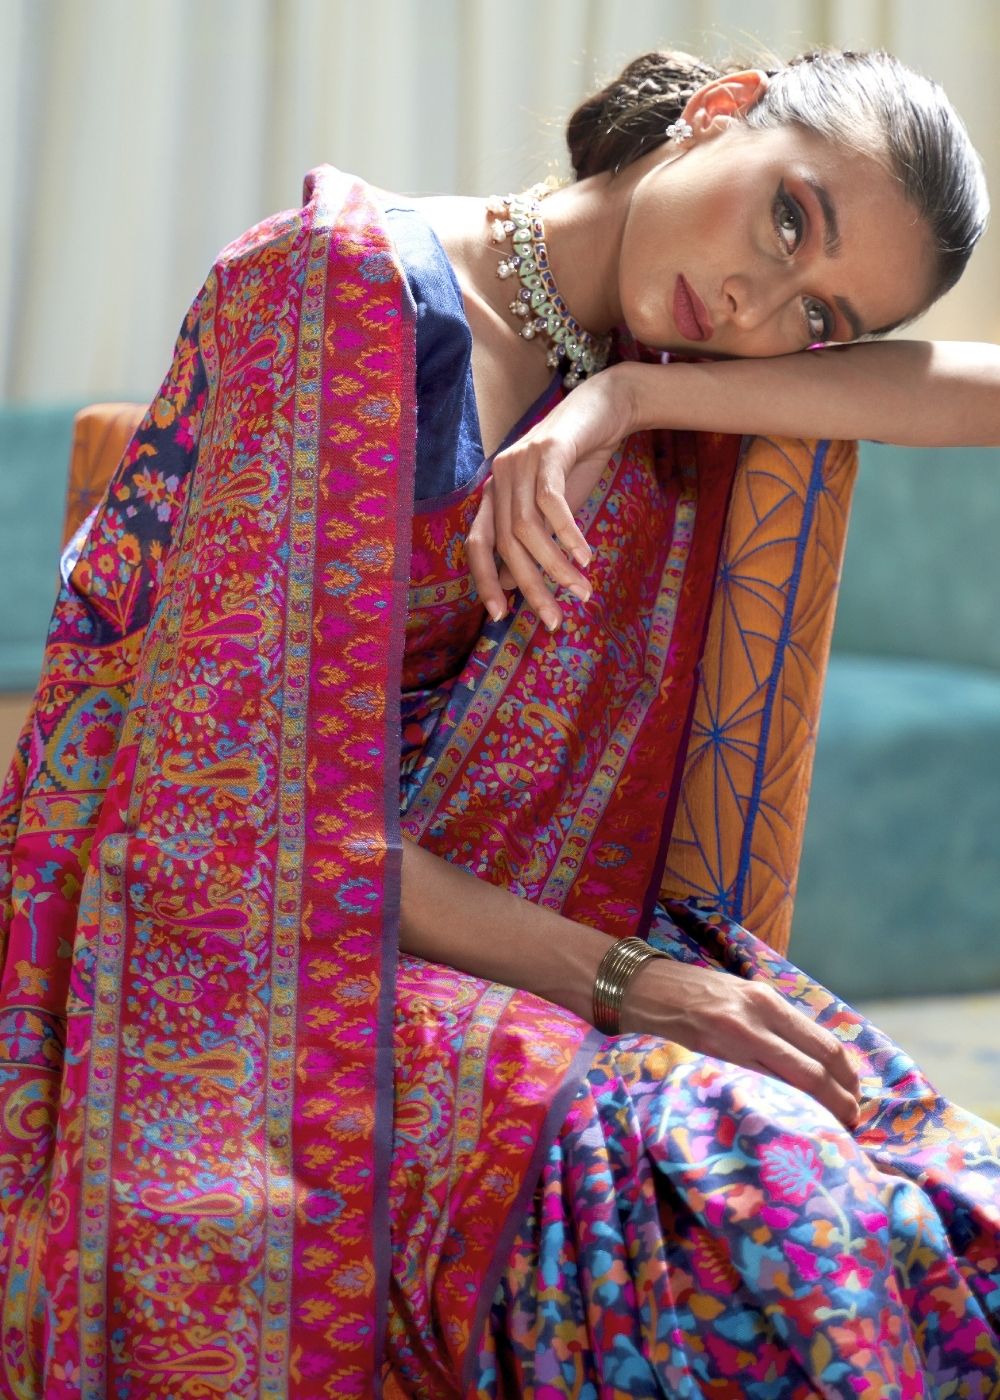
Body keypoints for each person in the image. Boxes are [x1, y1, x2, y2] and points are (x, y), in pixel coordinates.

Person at [1, 43, 998, 1400]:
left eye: (819, 320)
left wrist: (633, 395)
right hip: (258, 966)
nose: (759, 305)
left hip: (525, 942)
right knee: (763, 1203)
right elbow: (240, 819)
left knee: (947, 1216)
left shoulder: (654, 367)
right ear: (721, 111)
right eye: (787, 218)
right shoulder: (338, 289)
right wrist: (632, 983)